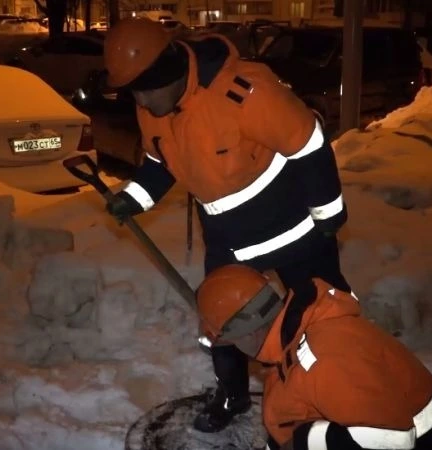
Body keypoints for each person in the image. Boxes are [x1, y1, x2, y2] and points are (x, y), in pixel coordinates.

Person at [103, 17, 352, 432]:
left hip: (293, 232)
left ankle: (340, 386)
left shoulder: (244, 91)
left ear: (169, 72)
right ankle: (233, 393)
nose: (141, 102)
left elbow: (307, 141)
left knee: (322, 313)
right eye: (134, 92)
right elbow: (160, 160)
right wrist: (135, 196)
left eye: (145, 89)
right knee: (221, 323)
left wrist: (329, 212)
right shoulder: (153, 109)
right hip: (229, 242)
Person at [196, 264, 432, 450]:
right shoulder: (289, 342)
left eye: (227, 340)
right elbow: (291, 412)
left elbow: (391, 441)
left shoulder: (325, 359)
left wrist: (303, 441)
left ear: (243, 330)